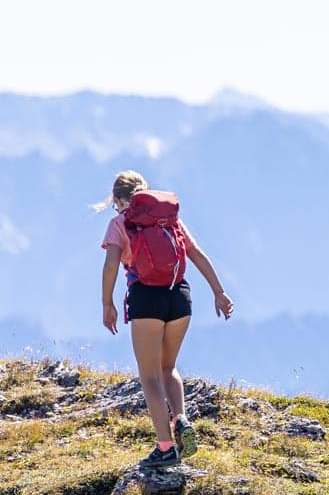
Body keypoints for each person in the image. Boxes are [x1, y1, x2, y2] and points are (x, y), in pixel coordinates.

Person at [98, 170, 233, 469]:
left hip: (146, 298)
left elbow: (110, 266)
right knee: (168, 367)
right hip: (180, 296)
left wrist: (107, 304)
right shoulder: (168, 220)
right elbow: (195, 253)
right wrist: (219, 292)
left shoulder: (120, 223)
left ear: (119, 200)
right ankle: (181, 417)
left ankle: (165, 448)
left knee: (149, 376)